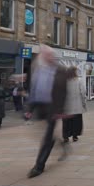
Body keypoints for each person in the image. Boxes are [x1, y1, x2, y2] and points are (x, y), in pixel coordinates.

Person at [26, 45, 68, 178]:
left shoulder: (61, 70)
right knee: (42, 134)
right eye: (43, 54)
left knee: (47, 136)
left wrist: (60, 110)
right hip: (39, 106)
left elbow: (63, 92)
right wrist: (29, 109)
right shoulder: (37, 69)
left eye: (48, 54)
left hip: (52, 108)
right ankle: (60, 144)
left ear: (52, 56)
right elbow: (33, 89)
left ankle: (39, 166)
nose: (45, 57)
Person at [62, 67, 87, 143]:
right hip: (77, 106)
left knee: (66, 122)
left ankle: (66, 137)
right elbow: (83, 93)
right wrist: (84, 104)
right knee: (76, 122)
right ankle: (75, 136)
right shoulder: (79, 81)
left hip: (66, 107)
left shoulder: (64, 81)